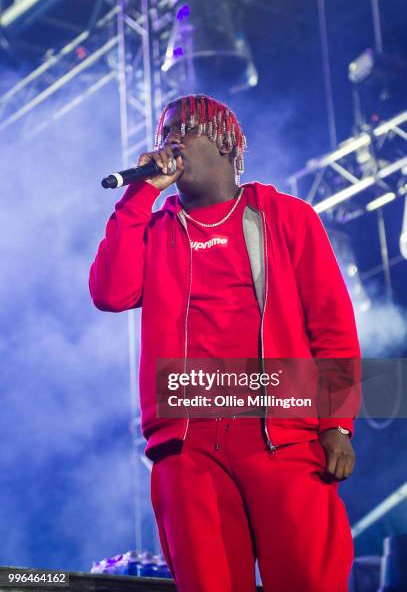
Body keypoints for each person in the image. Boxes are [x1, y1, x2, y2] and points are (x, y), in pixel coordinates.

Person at [89, 94, 361, 592]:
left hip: (281, 434)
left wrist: (338, 424)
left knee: (309, 579)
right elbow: (110, 293)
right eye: (164, 130)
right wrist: (136, 197)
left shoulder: (286, 216)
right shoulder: (155, 228)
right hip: (189, 448)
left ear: (225, 141)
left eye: (185, 127)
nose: (170, 139)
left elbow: (334, 327)